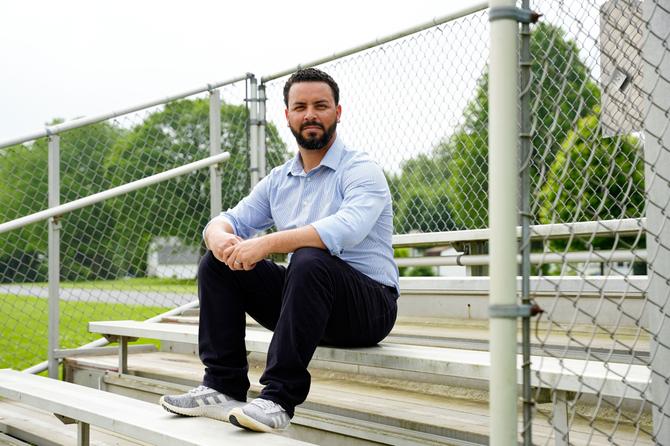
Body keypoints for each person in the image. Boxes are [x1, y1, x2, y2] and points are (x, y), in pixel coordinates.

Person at [159, 67, 399, 433]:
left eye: (320, 105)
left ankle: (278, 399)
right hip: (307, 304)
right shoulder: (279, 179)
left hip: (368, 309)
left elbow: (346, 230)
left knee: (309, 257)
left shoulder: (361, 170)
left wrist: (267, 243)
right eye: (300, 106)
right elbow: (227, 220)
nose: (310, 114)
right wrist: (219, 237)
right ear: (287, 115)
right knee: (217, 263)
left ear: (338, 112)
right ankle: (222, 385)